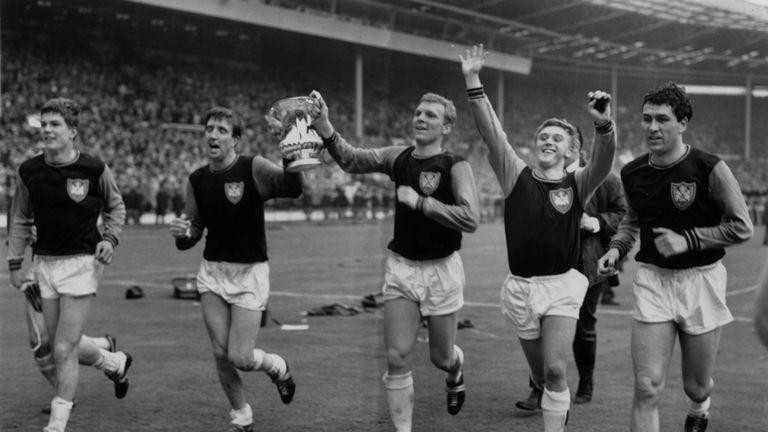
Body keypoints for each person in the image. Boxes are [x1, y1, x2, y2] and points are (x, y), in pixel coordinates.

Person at [461, 44, 616, 432]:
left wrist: (603, 125)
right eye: (543, 136)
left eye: (557, 139)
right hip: (520, 289)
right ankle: (548, 397)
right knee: (543, 377)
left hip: (561, 285)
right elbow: (492, 133)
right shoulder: (516, 175)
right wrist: (472, 79)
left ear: (570, 150)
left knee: (556, 369)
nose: (548, 141)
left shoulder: (577, 183)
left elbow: (603, 160)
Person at [311, 89, 479, 432]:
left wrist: (421, 203)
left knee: (440, 357)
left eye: (431, 115)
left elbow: (471, 217)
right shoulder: (398, 157)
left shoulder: (455, 164)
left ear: (446, 127)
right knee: (397, 357)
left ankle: (456, 369)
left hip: (442, 269)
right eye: (418, 112)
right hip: (402, 267)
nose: (420, 118)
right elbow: (352, 159)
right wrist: (325, 127)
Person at [597, 82, 753, 432]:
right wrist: (616, 247)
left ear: (683, 123)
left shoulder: (710, 168)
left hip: (701, 280)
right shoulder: (633, 172)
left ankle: (699, 408)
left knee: (695, 385)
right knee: (647, 386)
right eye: (646, 119)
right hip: (653, 281)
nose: (652, 127)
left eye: (662, 119)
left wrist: (690, 240)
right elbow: (633, 220)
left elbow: (742, 227)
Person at [169, 106, 301, 432]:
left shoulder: (252, 167)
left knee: (241, 356)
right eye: (209, 129)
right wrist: (183, 234)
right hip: (212, 273)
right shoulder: (197, 180)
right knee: (220, 353)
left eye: (222, 130)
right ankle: (241, 415)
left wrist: (288, 154)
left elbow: (292, 187)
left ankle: (278, 367)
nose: (213, 135)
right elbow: (192, 232)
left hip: (249, 273)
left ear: (236, 140)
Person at [6, 98, 131, 432]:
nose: (46, 129)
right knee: (56, 341)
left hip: (81, 264)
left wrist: (110, 239)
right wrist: (15, 262)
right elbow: (19, 217)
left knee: (63, 348)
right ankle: (113, 360)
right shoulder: (29, 171)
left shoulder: (93, 169)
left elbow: (116, 208)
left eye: (55, 124)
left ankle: (57, 425)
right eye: (44, 124)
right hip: (44, 265)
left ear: (72, 132)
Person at [566, 127, 628, 405]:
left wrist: (596, 222)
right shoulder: (542, 177)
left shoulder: (606, 179)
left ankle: (585, 383)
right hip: (549, 262)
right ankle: (538, 386)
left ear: (578, 147)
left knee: (583, 325)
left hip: (590, 263)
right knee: (540, 322)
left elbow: (624, 215)